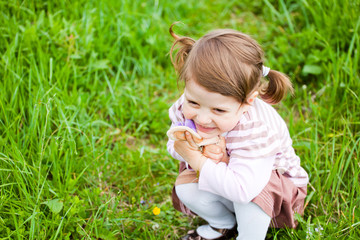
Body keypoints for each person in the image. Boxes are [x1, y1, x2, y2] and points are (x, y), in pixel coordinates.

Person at [166, 23, 309, 240]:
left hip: (271, 193)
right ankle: (223, 224)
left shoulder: (257, 129)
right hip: (227, 176)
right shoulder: (185, 108)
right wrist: (188, 149)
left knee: (249, 198)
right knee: (185, 187)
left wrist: (196, 158)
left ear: (248, 102)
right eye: (193, 102)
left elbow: (243, 189)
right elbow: (175, 143)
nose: (202, 118)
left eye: (219, 109)